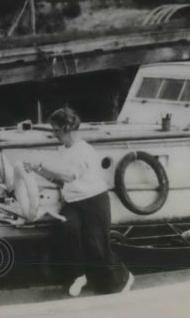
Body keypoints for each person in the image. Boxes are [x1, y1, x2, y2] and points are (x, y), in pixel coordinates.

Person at [27, 107, 133, 296]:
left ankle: (123, 277)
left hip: (94, 200)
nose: (54, 134)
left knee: (97, 245)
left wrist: (42, 165)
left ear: (67, 128)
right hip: (73, 201)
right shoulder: (63, 150)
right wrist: (37, 170)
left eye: (56, 130)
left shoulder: (83, 151)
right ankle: (80, 275)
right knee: (68, 231)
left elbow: (68, 177)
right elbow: (60, 181)